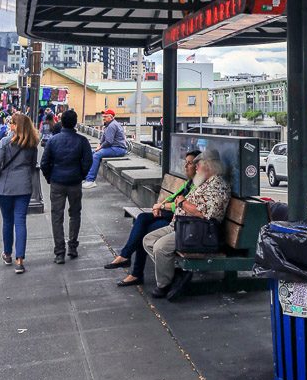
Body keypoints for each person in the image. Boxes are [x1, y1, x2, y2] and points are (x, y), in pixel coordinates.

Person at [143, 148, 231, 300]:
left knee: (161, 247)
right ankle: (175, 274)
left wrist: (183, 203)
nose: (196, 168)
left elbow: (207, 214)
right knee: (148, 240)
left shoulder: (218, 186)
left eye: (199, 164)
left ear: (209, 166)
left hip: (197, 232)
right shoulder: (205, 182)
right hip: (182, 226)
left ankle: (164, 285)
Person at [104, 152, 197, 287]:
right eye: (186, 162)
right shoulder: (189, 183)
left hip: (178, 219)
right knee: (142, 222)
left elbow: (181, 204)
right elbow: (173, 197)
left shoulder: (198, 186)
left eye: (190, 163)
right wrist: (158, 206)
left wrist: (162, 205)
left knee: (143, 226)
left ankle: (130, 265)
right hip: (169, 215)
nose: (186, 166)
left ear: (198, 166)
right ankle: (130, 265)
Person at [40, 109, 93, 264]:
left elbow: (44, 163)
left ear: (61, 122)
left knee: (57, 216)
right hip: (75, 182)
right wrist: (81, 175)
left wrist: (50, 177)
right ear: (75, 123)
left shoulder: (53, 140)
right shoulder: (82, 141)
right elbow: (88, 162)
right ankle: (73, 247)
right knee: (75, 214)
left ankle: (59, 252)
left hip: (57, 181)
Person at [0, 113, 39, 274]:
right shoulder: (32, 143)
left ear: (16, 126)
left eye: (12, 123)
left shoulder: (5, 142)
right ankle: (19, 260)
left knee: (7, 221)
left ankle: (7, 254)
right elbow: (32, 165)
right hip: (24, 186)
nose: (9, 126)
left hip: (5, 187)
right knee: (20, 221)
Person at [82, 109, 127, 188]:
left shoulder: (112, 125)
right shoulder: (108, 125)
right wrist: (99, 145)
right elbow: (103, 139)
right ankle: (86, 177)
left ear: (111, 117)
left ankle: (90, 180)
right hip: (113, 147)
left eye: (105, 117)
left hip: (118, 149)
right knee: (91, 153)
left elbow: (109, 141)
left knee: (96, 155)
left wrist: (100, 148)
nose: (104, 118)